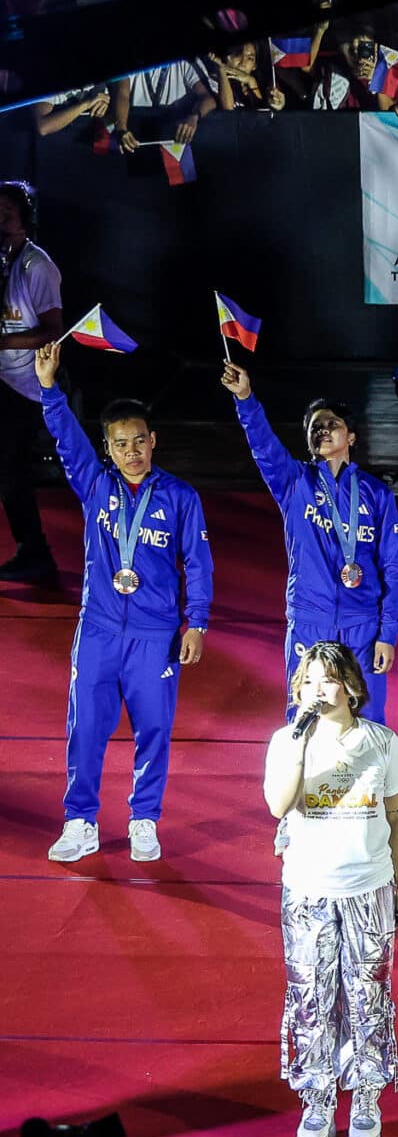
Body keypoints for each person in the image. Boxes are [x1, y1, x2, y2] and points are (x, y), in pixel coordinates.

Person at [33, 338, 211, 863]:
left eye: (139, 441)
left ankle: (144, 820)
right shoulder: (94, 484)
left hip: (156, 636)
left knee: (154, 731)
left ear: (153, 441)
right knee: (85, 725)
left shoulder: (180, 497)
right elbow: (67, 440)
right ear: (107, 448)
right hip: (101, 629)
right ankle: (80, 820)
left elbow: (197, 564)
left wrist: (196, 622)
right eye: (120, 444)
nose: (131, 451)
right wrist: (48, 388)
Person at [266, 642, 398, 1137]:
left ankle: (368, 1099)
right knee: (311, 998)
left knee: (367, 999)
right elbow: (278, 804)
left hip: (368, 888)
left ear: (350, 687)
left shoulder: (383, 743)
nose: (316, 690)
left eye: (327, 680)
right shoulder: (288, 740)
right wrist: (300, 744)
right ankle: (318, 1099)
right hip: (307, 889)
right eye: (307, 682)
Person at [219, 360, 398, 720]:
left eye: (331, 424)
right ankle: (304, 780)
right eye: (314, 427)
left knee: (365, 720)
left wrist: (387, 633)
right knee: (304, 718)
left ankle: (365, 780)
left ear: (351, 436)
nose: (322, 430)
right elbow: (263, 446)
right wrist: (245, 398)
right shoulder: (294, 484)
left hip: (361, 625)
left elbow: (393, 570)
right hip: (310, 619)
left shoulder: (377, 495)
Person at [0, 180, 64, 588]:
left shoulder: (37, 267)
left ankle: (35, 552)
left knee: (10, 472)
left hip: (23, 386)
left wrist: (4, 341)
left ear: (25, 218)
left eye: (7, 213)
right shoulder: (3, 259)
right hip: (2, 378)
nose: (0, 221)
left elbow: (53, 331)